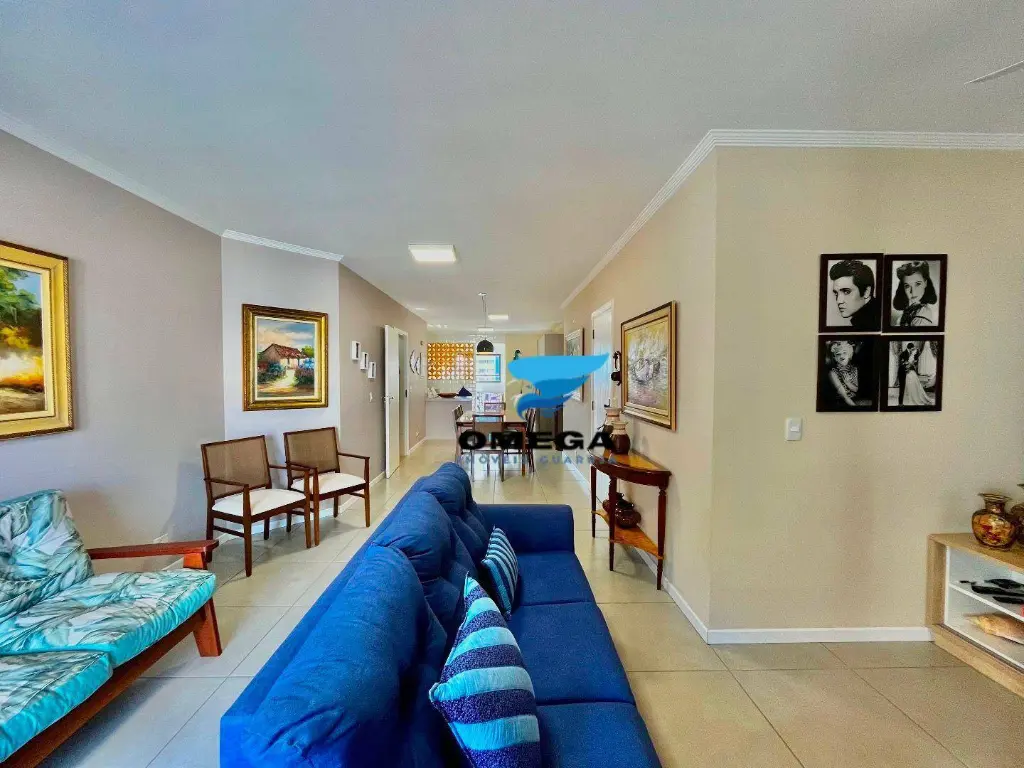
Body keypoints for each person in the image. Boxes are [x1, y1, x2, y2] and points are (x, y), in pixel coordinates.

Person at [829, 260, 880, 330]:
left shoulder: (874, 324)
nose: (839, 301)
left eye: (846, 292)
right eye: (836, 293)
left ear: (866, 292)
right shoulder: (867, 320)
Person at [892, 261, 939, 327]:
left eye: (918, 284)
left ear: (925, 283)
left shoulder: (922, 315)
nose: (913, 292)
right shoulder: (911, 309)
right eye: (907, 286)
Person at [825, 340, 862, 407]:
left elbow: (855, 389)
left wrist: (847, 382)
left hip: (855, 399)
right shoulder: (832, 373)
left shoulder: (854, 369)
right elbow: (844, 397)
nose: (841, 356)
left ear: (849, 355)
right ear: (835, 358)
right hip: (841, 402)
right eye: (838, 354)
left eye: (844, 352)